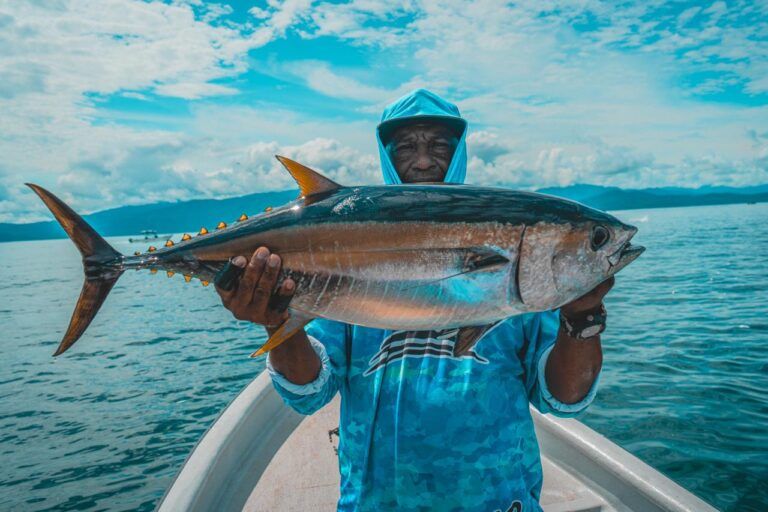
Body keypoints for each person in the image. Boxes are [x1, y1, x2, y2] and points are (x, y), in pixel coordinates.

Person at [215, 89, 613, 512]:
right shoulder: (345, 255)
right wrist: (276, 321)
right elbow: (309, 392)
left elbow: (565, 398)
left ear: (459, 151)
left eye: (439, 145)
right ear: (387, 156)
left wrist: (582, 317)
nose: (423, 161)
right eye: (407, 147)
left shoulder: (525, 271)